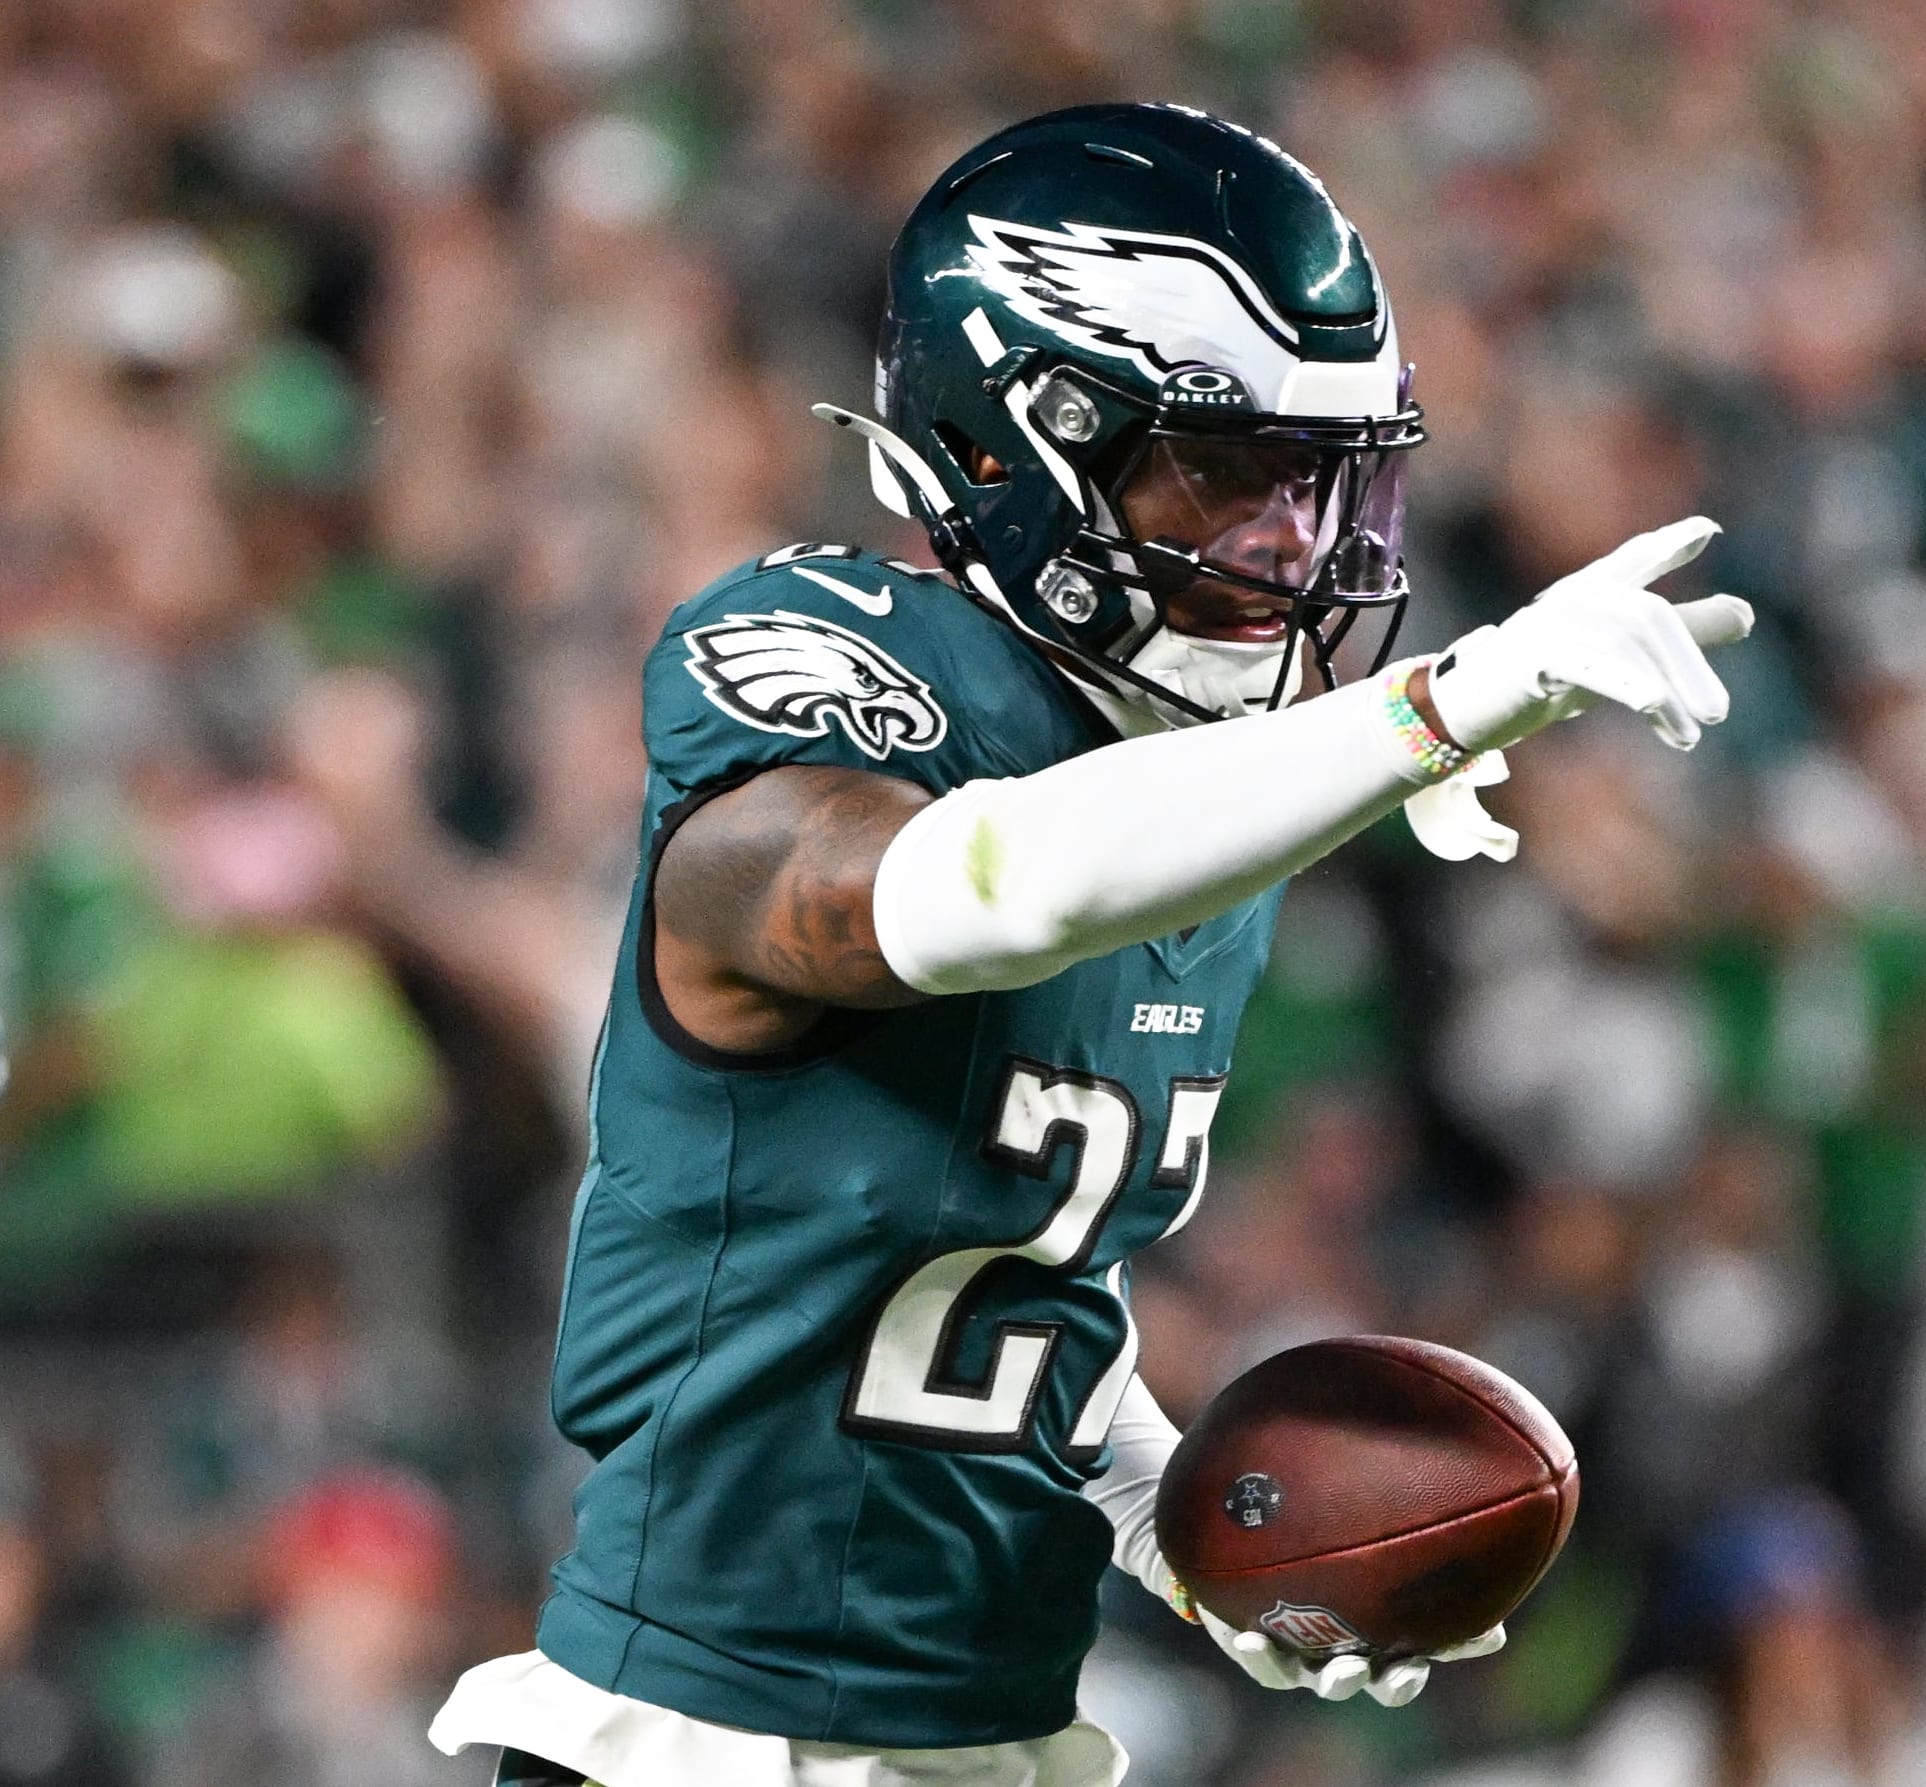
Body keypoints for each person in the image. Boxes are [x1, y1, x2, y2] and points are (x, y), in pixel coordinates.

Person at [426, 102, 1751, 1787]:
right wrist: (1428, 715)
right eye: (1231, 476)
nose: (1298, 548)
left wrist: (1156, 1502)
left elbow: (1022, 1284)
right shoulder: (820, 662)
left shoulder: (1196, 813)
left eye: (1329, 486)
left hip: (987, 1733)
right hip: (699, 1740)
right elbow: (954, 898)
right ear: (1011, 442)